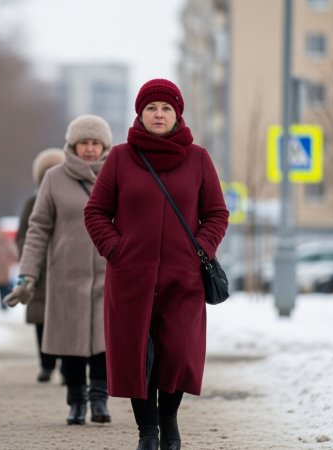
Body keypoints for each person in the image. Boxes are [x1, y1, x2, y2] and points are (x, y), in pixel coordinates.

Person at [83, 79, 229, 450]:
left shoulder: (198, 158)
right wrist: (116, 249)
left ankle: (169, 421)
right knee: (137, 355)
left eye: (166, 108)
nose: (158, 114)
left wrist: (201, 248)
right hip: (131, 278)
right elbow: (96, 212)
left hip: (184, 278)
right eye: (151, 108)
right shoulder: (119, 157)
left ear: (177, 114)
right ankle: (147, 432)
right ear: (140, 114)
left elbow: (216, 213)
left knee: (177, 353)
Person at [4, 115, 112, 426]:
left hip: (108, 274)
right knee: (71, 343)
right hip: (66, 274)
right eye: (84, 143)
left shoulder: (117, 176)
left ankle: (99, 399)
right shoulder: (54, 178)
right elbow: (37, 229)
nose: (90, 149)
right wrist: (28, 275)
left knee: (104, 341)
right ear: (73, 145)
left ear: (105, 145)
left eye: (95, 143)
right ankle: (76, 401)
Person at [15, 148, 65, 382]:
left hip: (66, 269)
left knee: (68, 320)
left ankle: (68, 366)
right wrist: (34, 255)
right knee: (41, 321)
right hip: (41, 273)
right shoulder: (33, 201)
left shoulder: (70, 198)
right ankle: (46, 365)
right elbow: (22, 234)